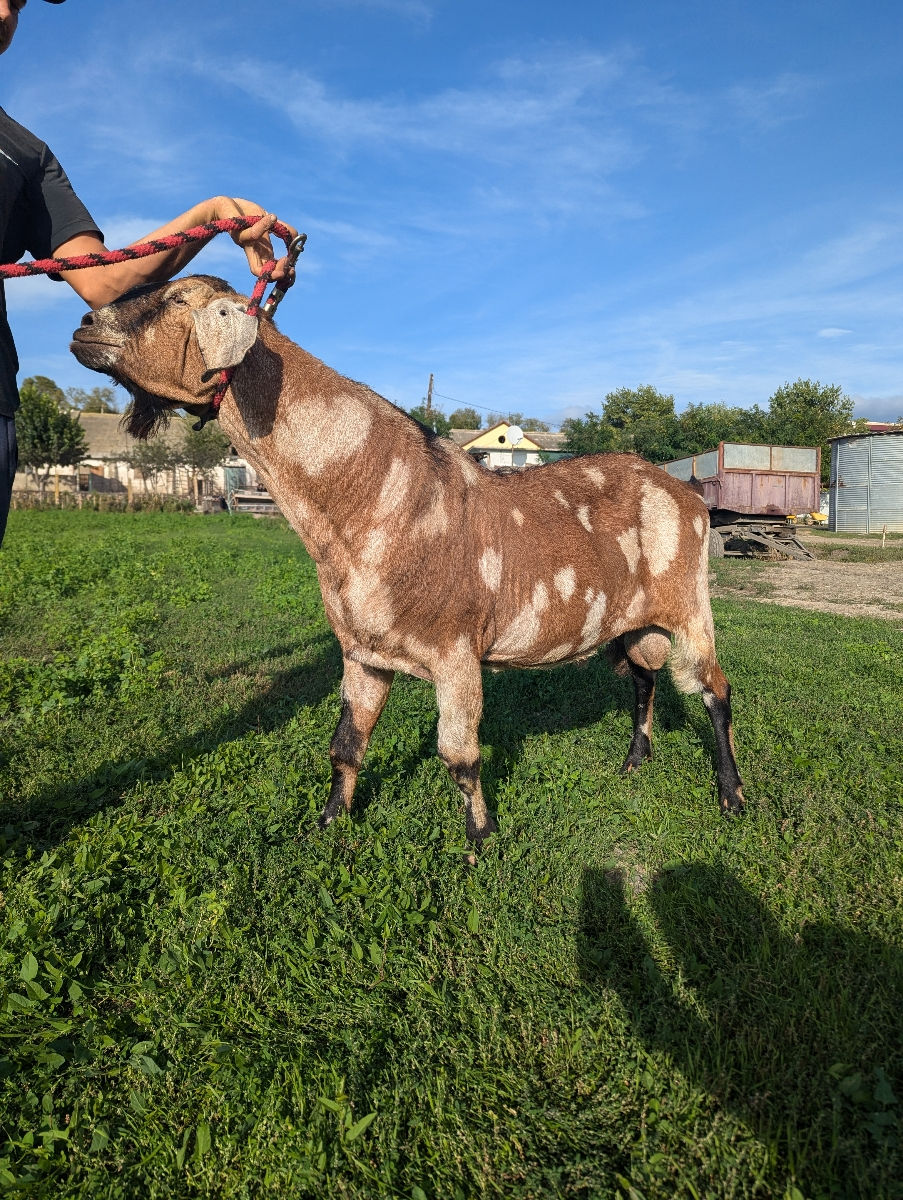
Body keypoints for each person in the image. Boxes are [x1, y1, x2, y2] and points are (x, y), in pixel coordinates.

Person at [0, 0, 297, 547]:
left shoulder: (27, 154)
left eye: (16, 2)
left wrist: (212, 214)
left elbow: (104, 282)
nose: (3, 11)